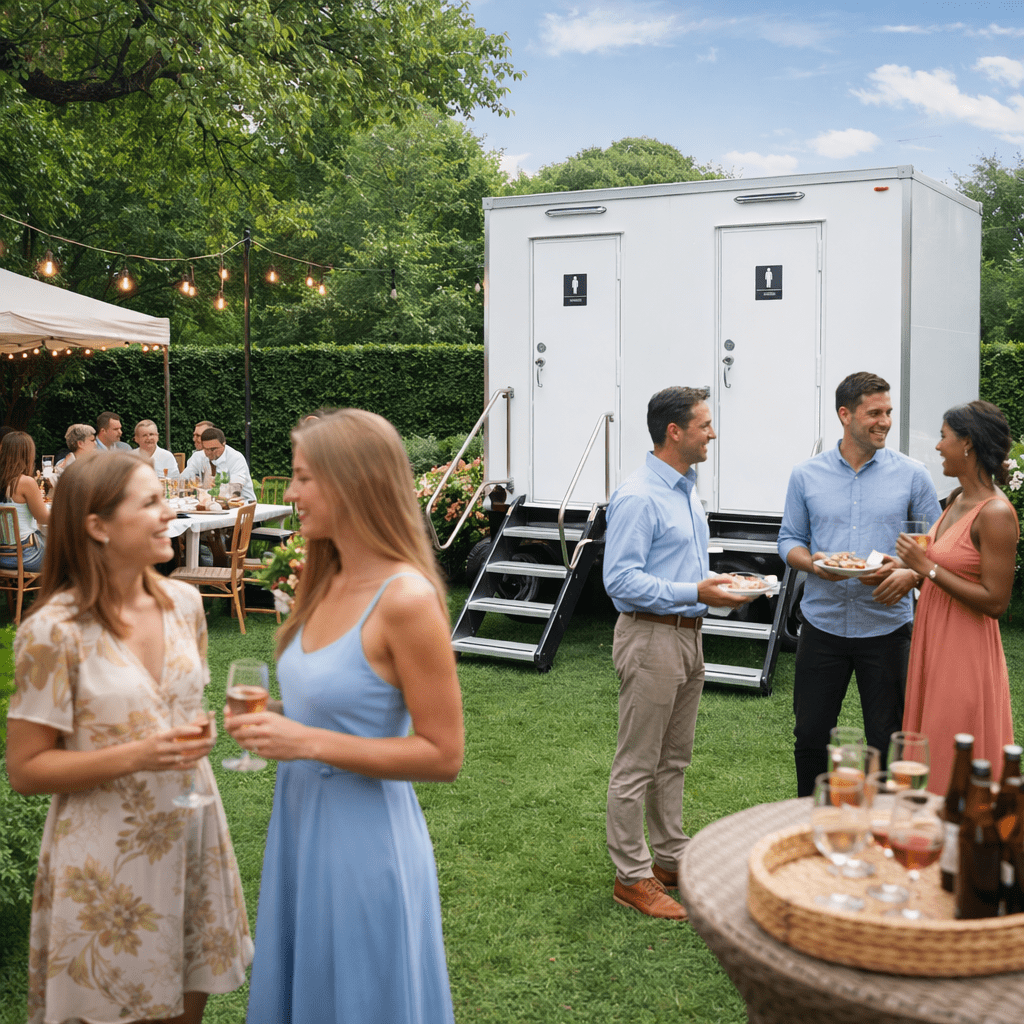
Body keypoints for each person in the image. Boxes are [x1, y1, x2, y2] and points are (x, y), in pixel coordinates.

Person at [223, 410, 463, 1024]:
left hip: (364, 845)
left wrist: (303, 740)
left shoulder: (405, 599)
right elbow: (329, 708)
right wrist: (272, 717)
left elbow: (442, 754)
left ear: (352, 481)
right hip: (299, 827)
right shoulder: (321, 582)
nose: (292, 493)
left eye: (303, 478)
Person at [4, 452, 253, 1024]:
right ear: (97, 525)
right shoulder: (51, 630)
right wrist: (139, 753)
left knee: (185, 1009)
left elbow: (178, 705)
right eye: (151, 502)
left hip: (192, 831)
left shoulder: (185, 605)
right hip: (106, 860)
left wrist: (199, 730)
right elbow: (26, 770)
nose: (170, 512)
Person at [602, 386, 747, 920]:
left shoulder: (685, 489)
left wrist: (712, 585)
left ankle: (668, 858)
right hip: (650, 637)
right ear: (675, 432)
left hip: (687, 634)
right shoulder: (640, 495)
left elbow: (674, 569)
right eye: (705, 425)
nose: (713, 433)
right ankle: (631, 876)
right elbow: (619, 581)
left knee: (675, 758)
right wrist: (695, 592)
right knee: (637, 763)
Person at [778, 372, 941, 797]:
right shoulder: (805, 475)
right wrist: (813, 564)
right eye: (874, 413)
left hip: (886, 627)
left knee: (887, 741)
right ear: (845, 415)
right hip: (822, 625)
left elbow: (935, 544)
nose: (885, 421)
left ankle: (884, 831)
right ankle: (811, 821)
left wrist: (911, 573)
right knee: (811, 736)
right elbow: (789, 541)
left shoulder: (913, 475)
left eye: (887, 412)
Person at [896, 400, 1017, 795]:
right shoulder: (953, 500)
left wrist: (926, 567)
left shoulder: (996, 513)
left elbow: (996, 601)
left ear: (967, 444)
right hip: (933, 640)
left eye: (943, 437)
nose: (937, 447)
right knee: (928, 740)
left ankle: (962, 843)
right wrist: (904, 571)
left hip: (964, 650)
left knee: (952, 743)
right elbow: (943, 570)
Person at [0, 430, 48, 571]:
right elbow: (43, 518)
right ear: (27, 454)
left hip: (2, 556)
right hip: (25, 555)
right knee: (68, 556)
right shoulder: (25, 482)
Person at [198, 427, 255, 502]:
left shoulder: (235, 458)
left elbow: (236, 490)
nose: (209, 453)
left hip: (244, 505)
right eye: (206, 449)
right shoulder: (202, 457)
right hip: (215, 504)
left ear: (224, 443)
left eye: (213, 449)